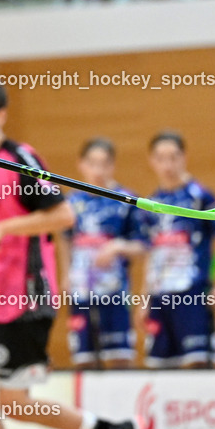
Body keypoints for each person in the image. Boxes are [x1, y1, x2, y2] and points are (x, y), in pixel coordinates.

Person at [0, 78, 139, 429]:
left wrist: (7, 226)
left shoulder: (20, 159)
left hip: (27, 296)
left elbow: (62, 215)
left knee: (15, 403)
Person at [138, 131, 215, 368]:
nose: (168, 165)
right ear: (151, 161)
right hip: (160, 297)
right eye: (161, 158)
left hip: (193, 294)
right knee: (160, 367)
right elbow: (152, 254)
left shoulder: (200, 197)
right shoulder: (151, 203)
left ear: (184, 157)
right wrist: (144, 299)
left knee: (198, 363)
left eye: (174, 157)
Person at [60, 138, 145, 370]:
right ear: (81, 164)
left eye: (104, 164)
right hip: (81, 290)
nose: (98, 170)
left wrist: (119, 246)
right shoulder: (71, 202)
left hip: (114, 291)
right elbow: (65, 240)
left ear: (112, 165)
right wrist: (66, 275)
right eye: (92, 163)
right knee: (84, 358)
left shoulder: (126, 200)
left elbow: (142, 246)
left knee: (120, 356)